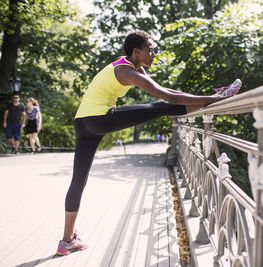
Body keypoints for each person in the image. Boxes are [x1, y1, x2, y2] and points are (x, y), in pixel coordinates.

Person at [56, 30, 240, 256]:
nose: (154, 54)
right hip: (99, 118)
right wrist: (215, 99)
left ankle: (66, 241)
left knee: (78, 181)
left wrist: (206, 98)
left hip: (82, 122)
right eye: (150, 50)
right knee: (158, 108)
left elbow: (169, 92)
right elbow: (169, 99)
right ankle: (222, 96)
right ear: (136, 52)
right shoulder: (127, 72)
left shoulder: (129, 66)